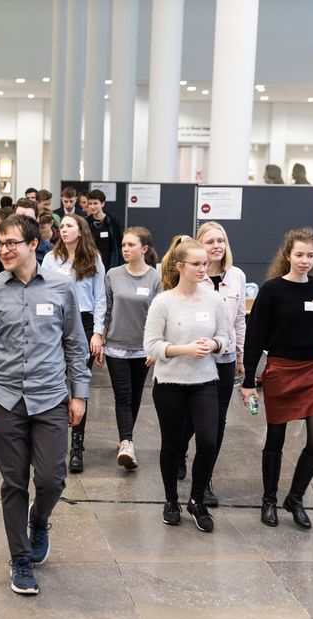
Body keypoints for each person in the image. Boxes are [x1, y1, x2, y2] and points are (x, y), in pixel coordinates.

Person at [0, 213, 90, 595]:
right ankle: (20, 558)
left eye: (12, 243)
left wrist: (80, 393)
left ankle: (39, 520)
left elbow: (74, 343)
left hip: (51, 396)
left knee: (52, 478)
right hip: (5, 400)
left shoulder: (61, 288)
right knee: (13, 482)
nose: (3, 249)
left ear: (33, 244)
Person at [241, 227, 313, 530]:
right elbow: (255, 338)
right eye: (299, 254)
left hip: (311, 371)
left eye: (310, 255)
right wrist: (247, 382)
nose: (305, 260)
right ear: (287, 255)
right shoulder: (272, 290)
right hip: (281, 370)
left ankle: (295, 498)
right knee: (276, 440)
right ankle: (269, 499)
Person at [144, 236, 229, 533]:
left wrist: (214, 343)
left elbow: (225, 338)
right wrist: (185, 349)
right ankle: (171, 500)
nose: (203, 268)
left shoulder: (214, 299)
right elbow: (152, 345)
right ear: (180, 266)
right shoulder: (163, 302)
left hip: (204, 381)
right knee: (172, 444)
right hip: (170, 383)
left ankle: (196, 500)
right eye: (196, 264)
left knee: (208, 441)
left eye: (205, 263)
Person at [178, 222, 248, 506]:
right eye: (210, 242)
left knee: (217, 423)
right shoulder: (193, 274)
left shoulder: (237, 276)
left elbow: (240, 319)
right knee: (189, 420)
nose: (217, 246)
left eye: (221, 241)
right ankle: (180, 449)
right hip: (196, 359)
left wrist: (242, 355)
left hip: (225, 359)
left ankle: (204, 480)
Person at [41, 214, 105, 473]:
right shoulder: (50, 259)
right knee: (56, 382)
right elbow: (41, 293)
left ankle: (76, 447)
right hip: (54, 322)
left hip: (85, 322)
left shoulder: (93, 259)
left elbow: (100, 298)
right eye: (62, 226)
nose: (63, 229)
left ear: (81, 231)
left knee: (79, 384)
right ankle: (54, 444)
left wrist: (98, 333)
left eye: (69, 226)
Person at [103, 227, 161, 471]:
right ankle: (127, 441)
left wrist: (156, 347)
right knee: (123, 395)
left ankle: (125, 439)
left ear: (144, 249)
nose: (125, 249)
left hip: (143, 349)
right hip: (116, 346)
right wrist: (99, 336)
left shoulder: (155, 278)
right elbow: (106, 308)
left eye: (131, 245)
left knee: (136, 397)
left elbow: (160, 315)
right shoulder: (113, 275)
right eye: (124, 245)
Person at [84, 189, 123, 270]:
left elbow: (119, 244)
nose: (92, 206)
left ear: (102, 204)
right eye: (90, 203)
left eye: (95, 203)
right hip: (90, 263)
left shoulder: (113, 222)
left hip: (109, 263)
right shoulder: (85, 223)